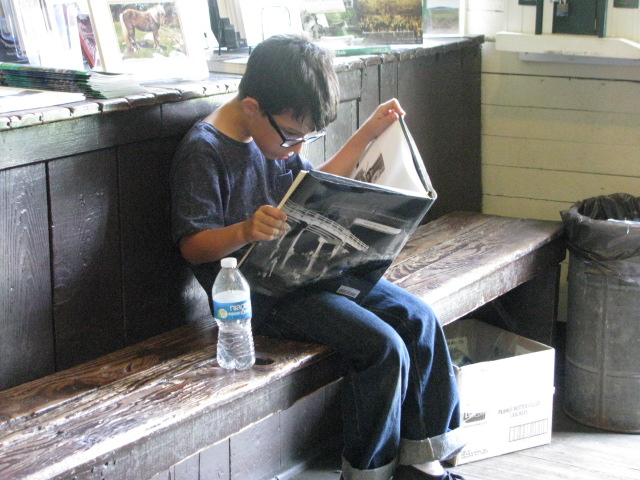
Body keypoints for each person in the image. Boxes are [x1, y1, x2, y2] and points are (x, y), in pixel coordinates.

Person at [170, 34, 466, 480]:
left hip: (308, 273)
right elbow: (192, 245)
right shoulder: (205, 149)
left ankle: (425, 460)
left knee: (419, 318)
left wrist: (369, 133)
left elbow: (314, 183)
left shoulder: (273, 138)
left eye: (307, 138)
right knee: (382, 348)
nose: (296, 149)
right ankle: (368, 473)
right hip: (258, 298)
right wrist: (246, 230)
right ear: (252, 107)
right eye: (292, 137)